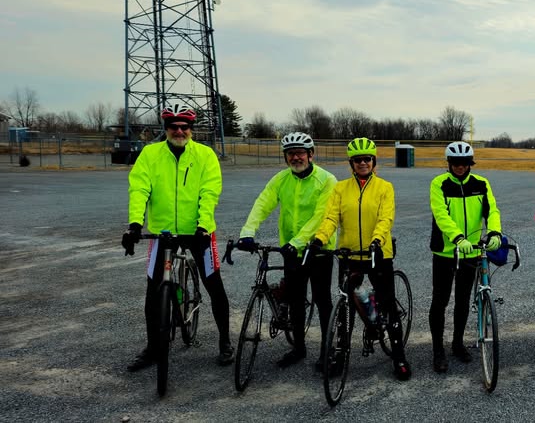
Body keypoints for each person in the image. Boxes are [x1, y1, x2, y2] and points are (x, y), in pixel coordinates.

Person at [121, 103, 234, 371]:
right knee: (152, 292)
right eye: (174, 126)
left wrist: (203, 225)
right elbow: (139, 189)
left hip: (198, 230)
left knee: (214, 285)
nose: (179, 131)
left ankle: (225, 341)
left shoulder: (205, 155)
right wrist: (135, 224)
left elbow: (210, 192)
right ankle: (153, 348)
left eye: (184, 127)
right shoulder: (150, 154)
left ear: (191, 129)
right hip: (163, 233)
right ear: (166, 128)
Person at [310, 137, 412, 380]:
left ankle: (399, 356)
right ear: (351, 163)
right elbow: (331, 218)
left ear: (373, 161)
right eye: (357, 160)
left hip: (378, 253)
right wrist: (319, 239)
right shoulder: (340, 188)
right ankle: (341, 356)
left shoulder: (385, 187)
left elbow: (385, 218)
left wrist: (376, 240)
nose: (363, 163)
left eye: (367, 159)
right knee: (346, 309)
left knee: (388, 305)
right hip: (350, 254)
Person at [236, 132, 338, 368]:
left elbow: (320, 217)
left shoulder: (327, 180)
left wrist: (298, 242)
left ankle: (327, 350)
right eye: (290, 153)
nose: (295, 157)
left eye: (300, 153)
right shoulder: (281, 179)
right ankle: (298, 348)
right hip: (291, 252)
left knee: (322, 301)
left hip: (318, 250)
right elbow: (262, 203)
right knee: (295, 301)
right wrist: (247, 232)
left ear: (311, 154)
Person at [428, 141, 502, 373]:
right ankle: (438, 350)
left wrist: (494, 232)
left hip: (471, 251)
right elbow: (441, 215)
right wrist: (458, 238)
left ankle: (457, 343)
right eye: (455, 163)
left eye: (464, 163)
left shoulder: (481, 183)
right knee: (440, 301)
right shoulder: (439, 183)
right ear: (449, 163)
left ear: (470, 163)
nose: (460, 167)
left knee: (462, 300)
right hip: (445, 252)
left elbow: (492, 210)